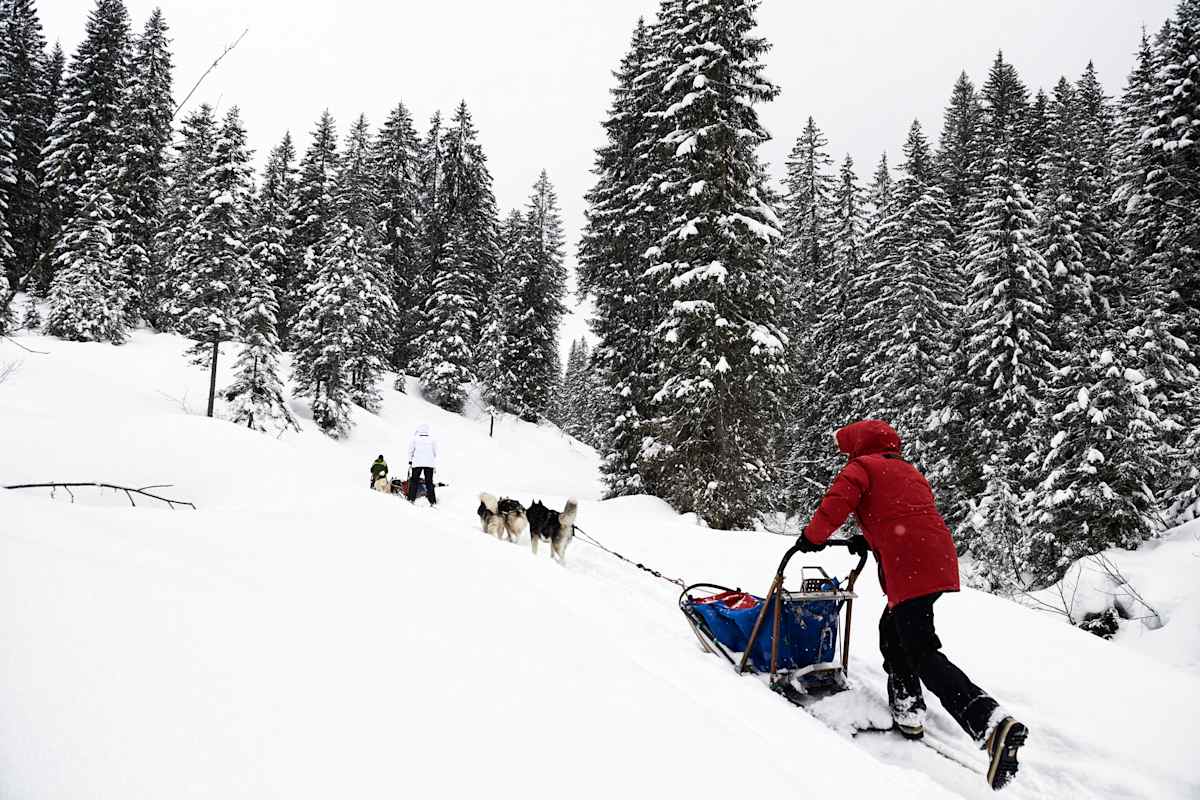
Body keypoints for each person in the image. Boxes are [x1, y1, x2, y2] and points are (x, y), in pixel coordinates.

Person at [797, 419, 1028, 791]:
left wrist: (813, 537)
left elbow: (837, 503)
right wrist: (866, 540)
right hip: (935, 561)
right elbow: (901, 517)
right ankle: (908, 708)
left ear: (858, 447)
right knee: (893, 632)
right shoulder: (906, 470)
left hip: (910, 567)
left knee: (921, 649)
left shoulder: (861, 468)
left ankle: (989, 722)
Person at [406, 423, 438, 506]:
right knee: (429, 482)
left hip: (417, 463)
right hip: (429, 463)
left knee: (414, 481)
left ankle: (411, 498)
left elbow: (410, 451)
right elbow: (434, 453)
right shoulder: (432, 439)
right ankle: (432, 501)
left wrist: (410, 461)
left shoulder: (414, 439)